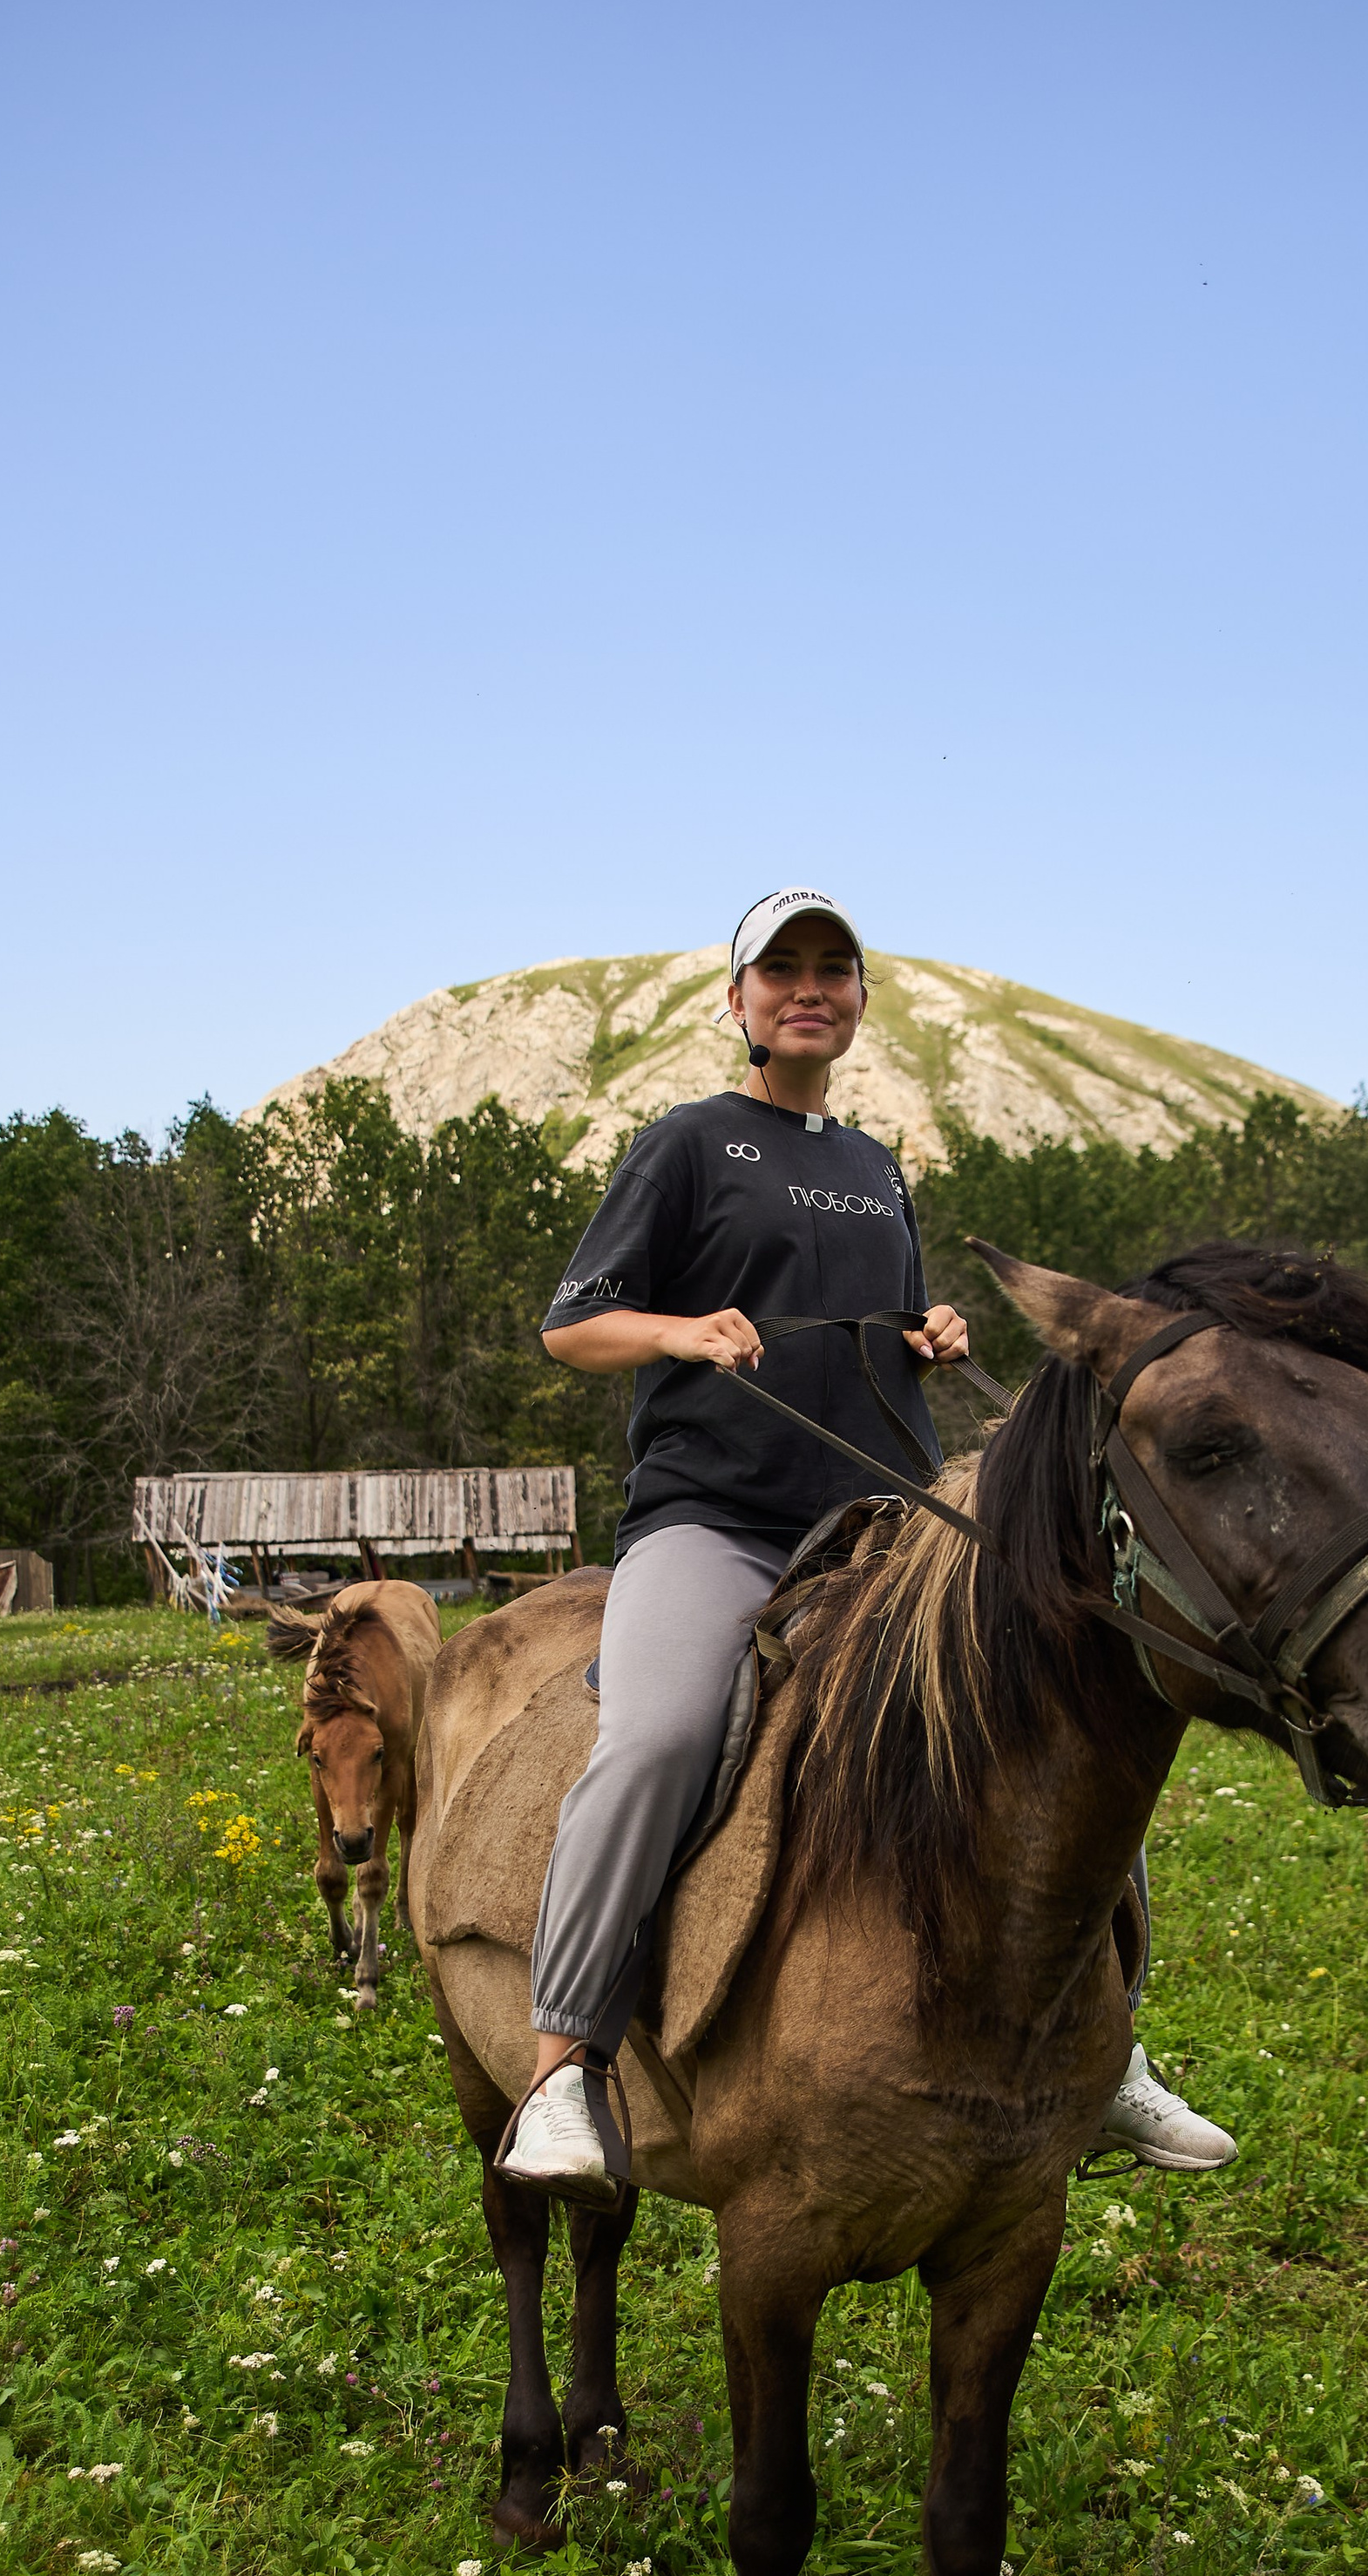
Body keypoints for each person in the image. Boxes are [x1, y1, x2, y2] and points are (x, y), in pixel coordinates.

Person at [498, 885, 1236, 2188]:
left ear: (856, 1003)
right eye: (780, 969)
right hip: (716, 1519)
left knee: (1061, 1714)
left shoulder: (873, 1165)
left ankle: (1109, 2046)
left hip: (882, 1522)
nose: (809, 987)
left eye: (834, 968)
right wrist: (678, 1329)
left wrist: (926, 1330)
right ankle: (565, 2068)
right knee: (662, 1733)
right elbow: (573, 1325)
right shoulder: (685, 1143)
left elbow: (862, 1333)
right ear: (739, 1004)